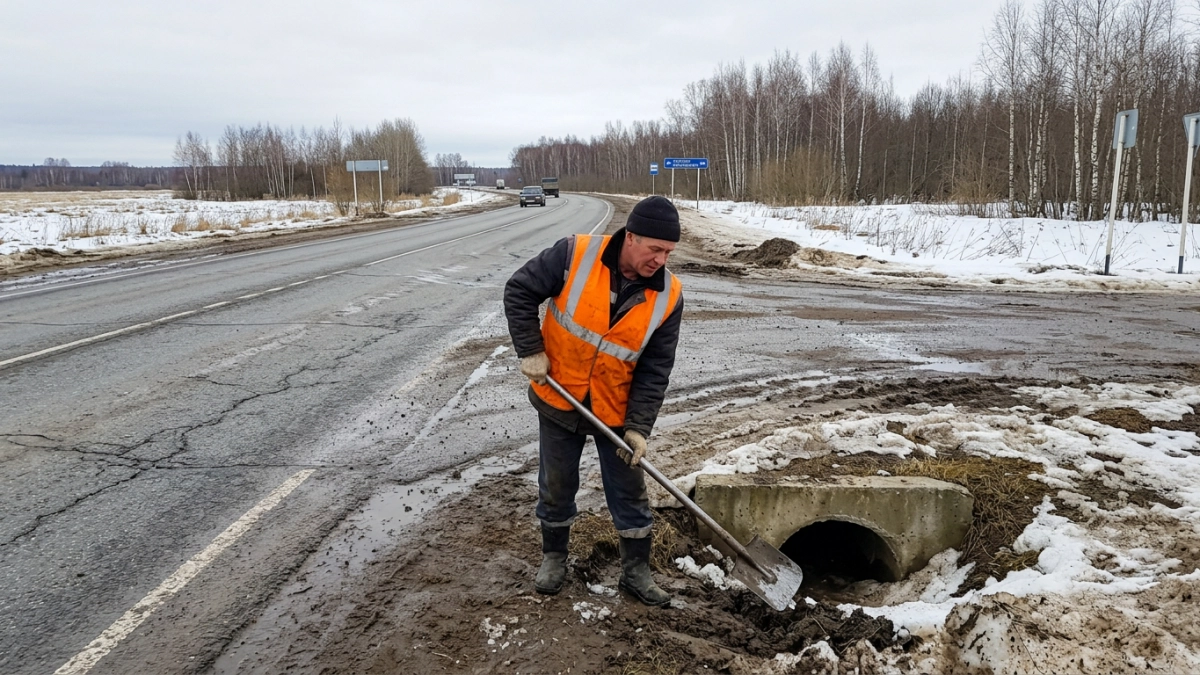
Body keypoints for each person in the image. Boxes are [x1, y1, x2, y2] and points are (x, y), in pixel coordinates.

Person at [503, 195, 684, 606]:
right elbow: (519, 290)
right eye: (654, 249)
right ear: (630, 237)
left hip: (615, 409)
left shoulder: (669, 295)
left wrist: (639, 427)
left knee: (629, 492)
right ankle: (554, 557)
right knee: (556, 483)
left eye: (668, 252)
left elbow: (656, 368)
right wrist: (530, 350)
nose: (661, 259)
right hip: (559, 395)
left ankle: (636, 571)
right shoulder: (575, 254)